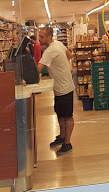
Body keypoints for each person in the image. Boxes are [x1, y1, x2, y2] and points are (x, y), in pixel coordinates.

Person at [37, 27, 75, 155]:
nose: (39, 39)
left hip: (64, 87)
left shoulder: (49, 51)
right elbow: (69, 55)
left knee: (67, 116)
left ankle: (67, 144)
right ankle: (62, 137)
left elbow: (38, 69)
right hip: (61, 86)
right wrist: (60, 66)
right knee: (60, 113)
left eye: (42, 37)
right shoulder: (58, 44)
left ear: (49, 37)